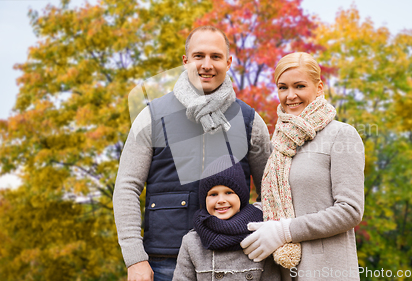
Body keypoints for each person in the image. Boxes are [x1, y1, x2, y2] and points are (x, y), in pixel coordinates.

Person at [113, 26, 272, 281]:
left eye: (216, 57)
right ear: (185, 61)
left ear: (228, 62)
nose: (206, 65)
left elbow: (274, 191)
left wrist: (256, 230)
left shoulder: (250, 120)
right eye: (199, 56)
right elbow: (126, 187)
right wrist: (135, 259)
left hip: (235, 261)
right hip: (165, 263)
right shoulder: (152, 116)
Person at [240, 52, 365, 280]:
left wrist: (285, 231)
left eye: (299, 86)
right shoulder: (278, 143)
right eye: (283, 87)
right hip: (282, 271)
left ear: (318, 88)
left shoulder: (342, 135)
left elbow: (350, 210)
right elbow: (271, 201)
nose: (290, 96)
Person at [172, 155, 280, 281]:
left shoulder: (260, 236)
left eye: (229, 192)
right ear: (204, 200)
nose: (221, 200)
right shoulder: (192, 242)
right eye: (213, 194)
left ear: (241, 197)